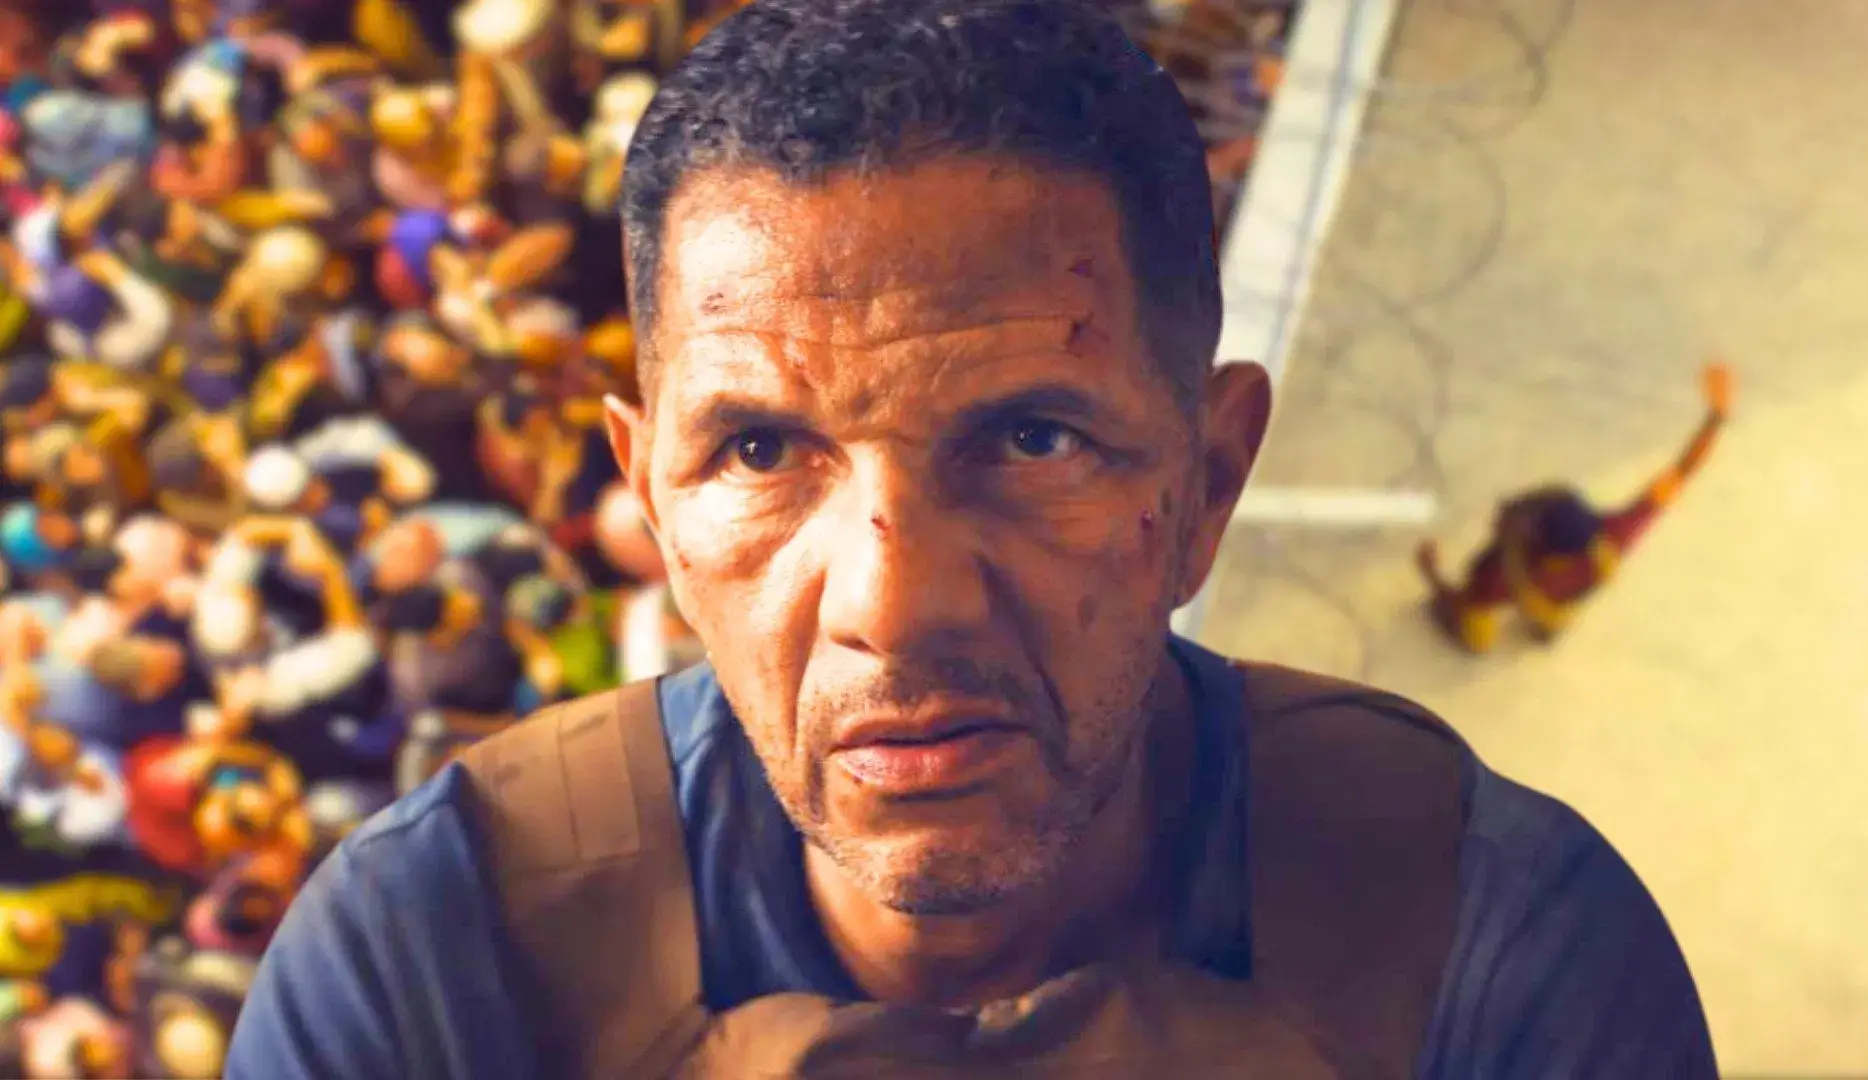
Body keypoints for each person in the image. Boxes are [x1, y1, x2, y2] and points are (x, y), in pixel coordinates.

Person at [227, 2, 1717, 1077]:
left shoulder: (1492, 943)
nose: (895, 601)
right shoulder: (433, 955)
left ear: (1208, 481)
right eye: (760, 452)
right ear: (658, 505)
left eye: (1030, 441)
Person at [1418, 363, 1733, 653]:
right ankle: (1547, 623)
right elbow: (1682, 471)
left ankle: (1537, 617)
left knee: (1478, 637)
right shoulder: (1610, 540)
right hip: (1551, 590)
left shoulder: (1507, 571)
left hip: (1526, 574)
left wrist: (1432, 574)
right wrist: (1716, 418)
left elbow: (1467, 599)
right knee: (1532, 619)